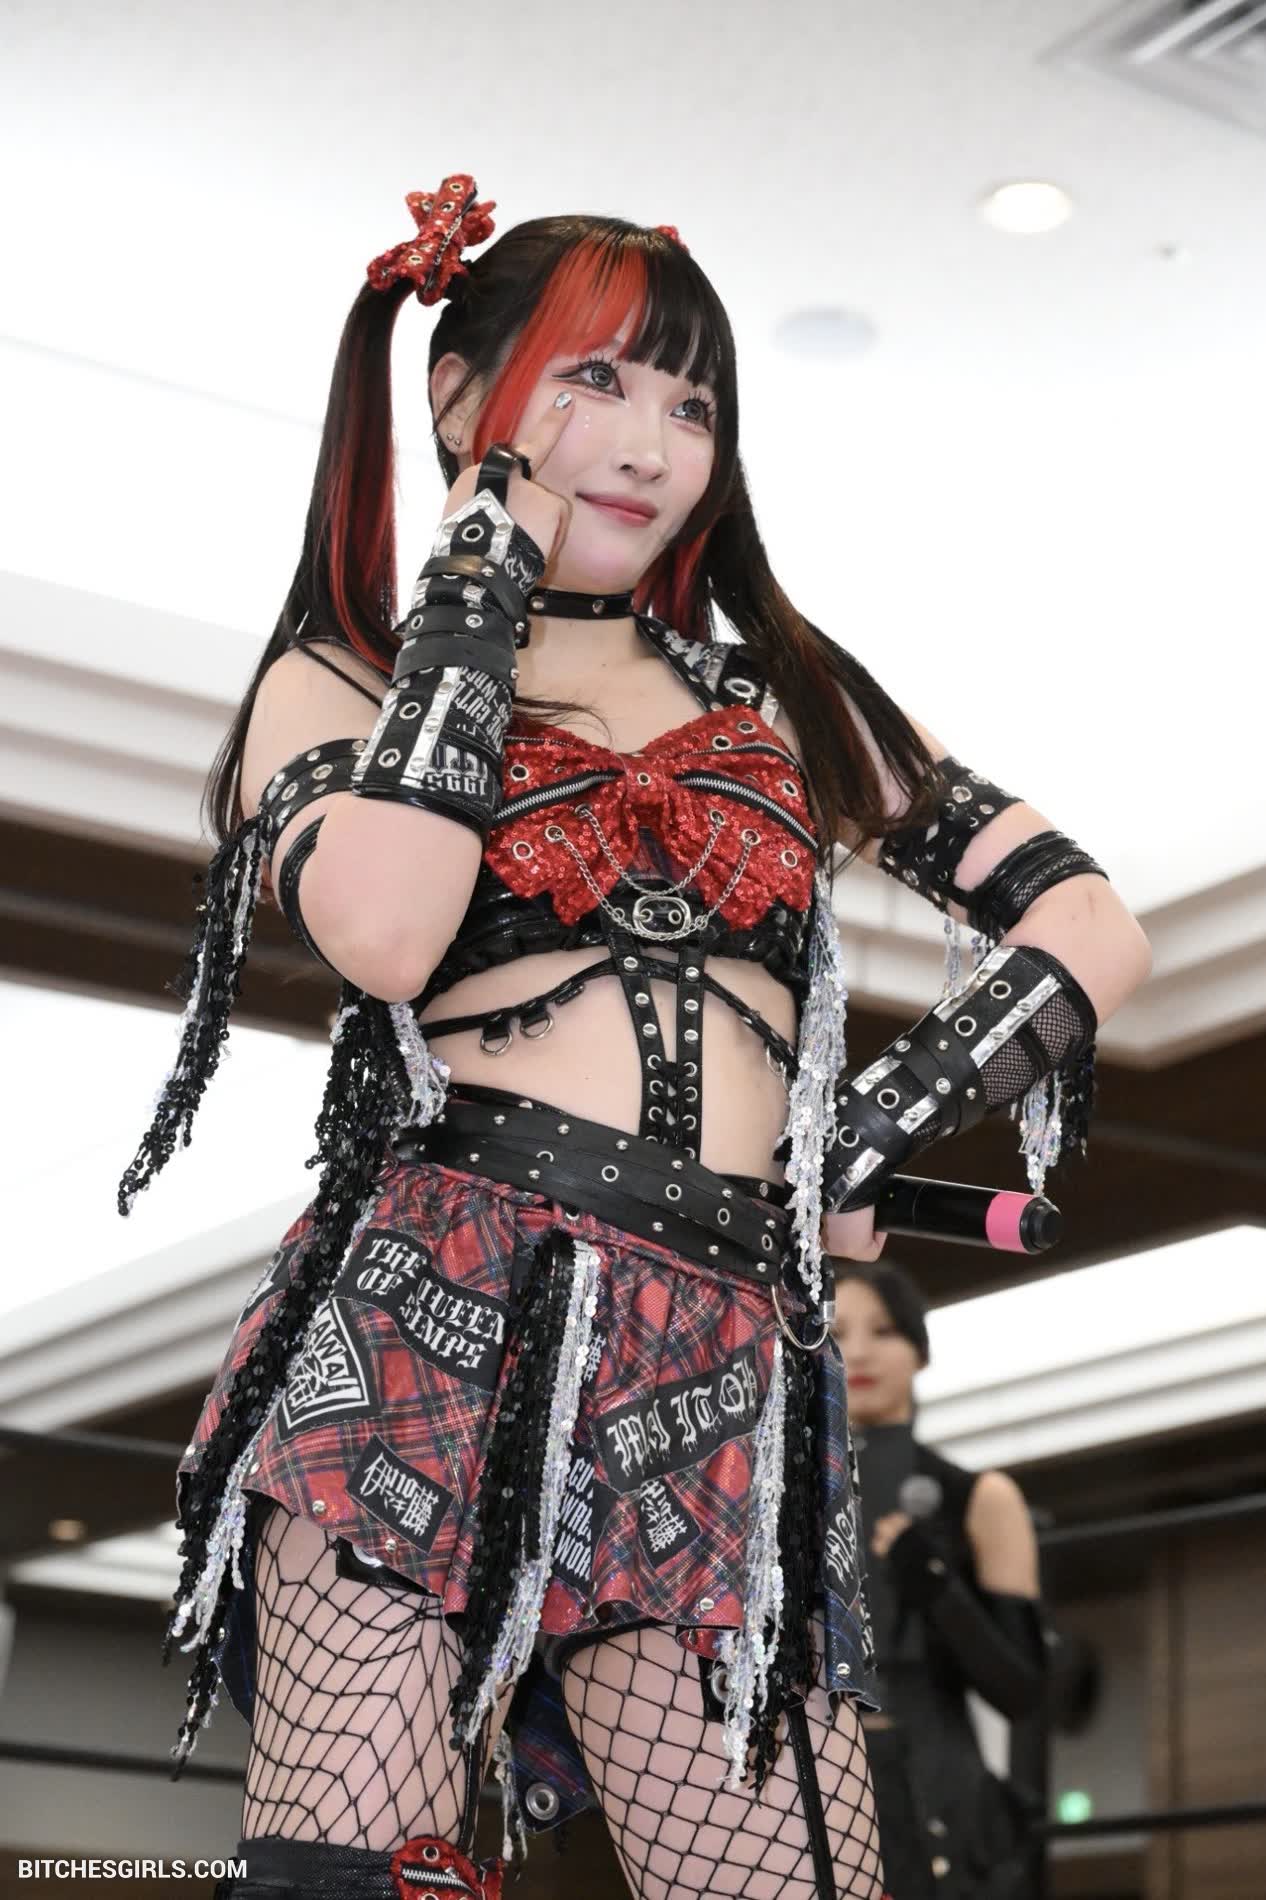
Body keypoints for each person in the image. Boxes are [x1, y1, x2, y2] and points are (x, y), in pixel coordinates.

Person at [117, 173, 1152, 1900]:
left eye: (691, 405)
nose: (649, 443)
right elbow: (386, 929)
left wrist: (861, 1136)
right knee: (358, 1880)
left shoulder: (776, 699)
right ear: (459, 394)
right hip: (429, 1313)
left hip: (715, 1351)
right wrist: (480, 571)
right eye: (593, 380)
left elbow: (1089, 925)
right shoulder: (344, 674)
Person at [833, 1263, 1050, 1899]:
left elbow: (1023, 1688)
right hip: (821, 1785)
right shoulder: (776, 1507)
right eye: (837, 1333)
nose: (859, 1352)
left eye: (884, 1331)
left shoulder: (979, 1499)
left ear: (919, 1351)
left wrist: (935, 1586)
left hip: (938, 1796)